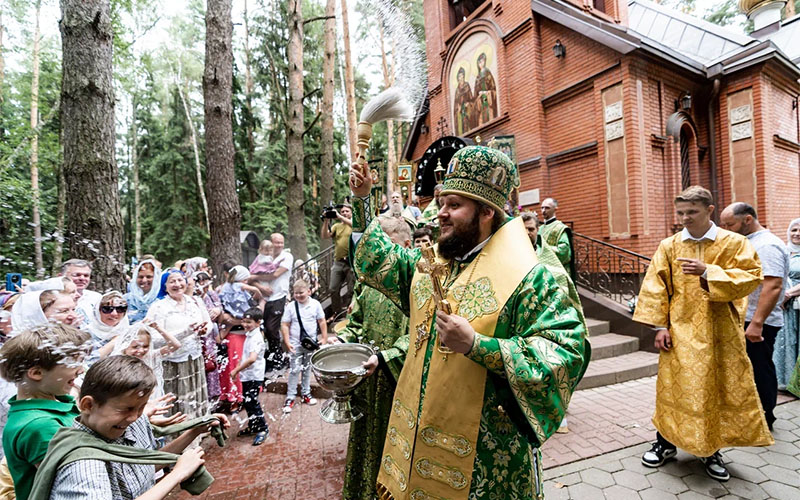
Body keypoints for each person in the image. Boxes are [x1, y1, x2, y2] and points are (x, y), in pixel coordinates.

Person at [348, 145, 588, 499]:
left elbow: (566, 352)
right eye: (441, 203)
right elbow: (380, 258)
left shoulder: (531, 276)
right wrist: (363, 199)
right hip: (418, 437)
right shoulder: (437, 262)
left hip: (483, 457)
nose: (440, 214)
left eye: (454, 205)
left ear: (487, 212)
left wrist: (479, 346)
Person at [634, 186, 772, 482]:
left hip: (720, 334)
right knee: (673, 390)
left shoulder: (734, 242)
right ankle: (665, 443)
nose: (684, 218)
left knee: (714, 390)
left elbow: (751, 276)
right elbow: (656, 286)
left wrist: (709, 272)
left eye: (691, 212)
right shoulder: (669, 246)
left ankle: (711, 451)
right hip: (680, 332)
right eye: (680, 212)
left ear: (710, 210)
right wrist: (659, 327)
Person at [40, 356, 228, 500]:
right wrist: (177, 474)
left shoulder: (129, 423)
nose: (135, 417)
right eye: (126, 409)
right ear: (88, 405)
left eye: (141, 407)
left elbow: (144, 467)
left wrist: (194, 431)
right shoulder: (83, 466)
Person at [337, 217, 411, 500]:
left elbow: (420, 334)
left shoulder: (415, 283)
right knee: (366, 445)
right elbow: (355, 323)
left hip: (398, 384)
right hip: (366, 385)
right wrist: (342, 343)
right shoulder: (368, 283)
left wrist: (385, 357)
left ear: (405, 246)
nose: (378, 259)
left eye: (385, 249)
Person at [0, 324, 91, 500]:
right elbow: (78, 480)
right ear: (36, 373)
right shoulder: (40, 425)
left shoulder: (56, 402)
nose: (80, 370)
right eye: (72, 364)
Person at [720, 202, 787, 431]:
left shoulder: (767, 245)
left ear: (747, 220)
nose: (727, 229)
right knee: (748, 369)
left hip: (759, 322)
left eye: (730, 224)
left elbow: (774, 285)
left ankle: (765, 417)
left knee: (760, 369)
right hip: (746, 318)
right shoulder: (748, 241)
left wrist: (757, 323)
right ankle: (751, 415)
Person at [146, 270, 212, 418]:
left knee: (195, 395)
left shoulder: (195, 301)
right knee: (175, 400)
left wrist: (204, 330)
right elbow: (153, 339)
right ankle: (177, 434)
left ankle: (197, 430)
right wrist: (185, 332)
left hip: (194, 357)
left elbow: (208, 323)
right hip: (172, 362)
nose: (177, 284)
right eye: (172, 281)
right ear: (165, 286)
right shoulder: (158, 307)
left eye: (180, 280)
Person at [280, 280, 327, 413]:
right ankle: (290, 397)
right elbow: (285, 324)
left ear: (308, 291)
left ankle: (306, 393)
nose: (299, 295)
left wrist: (324, 338)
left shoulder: (315, 304)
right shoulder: (291, 306)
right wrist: (287, 341)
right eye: (296, 293)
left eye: (301, 293)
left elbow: (321, 321)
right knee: (294, 370)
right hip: (295, 343)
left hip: (310, 343)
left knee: (307, 369)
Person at [252, 233, 293, 371]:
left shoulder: (287, 256)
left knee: (272, 328)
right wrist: (261, 287)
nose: (279, 245)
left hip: (278, 296)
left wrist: (253, 277)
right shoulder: (262, 256)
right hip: (263, 297)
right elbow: (252, 278)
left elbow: (274, 275)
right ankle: (270, 356)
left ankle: (278, 357)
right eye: (276, 242)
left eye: (281, 242)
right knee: (263, 328)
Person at [229, 307, 268, 446]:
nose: (245, 325)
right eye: (244, 321)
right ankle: (253, 426)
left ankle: (263, 428)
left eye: (249, 322)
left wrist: (236, 370)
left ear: (258, 322)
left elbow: (252, 359)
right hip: (248, 375)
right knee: (248, 401)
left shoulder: (256, 337)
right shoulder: (250, 334)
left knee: (252, 402)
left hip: (254, 375)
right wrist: (238, 367)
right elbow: (245, 356)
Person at [776, 218, 800, 390]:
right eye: (794, 230)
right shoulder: (783, 251)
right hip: (783, 306)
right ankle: (784, 381)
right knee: (785, 341)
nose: (797, 234)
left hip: (795, 302)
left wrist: (788, 293)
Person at [321, 203, 353, 319]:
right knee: (333, 288)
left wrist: (339, 216)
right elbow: (325, 236)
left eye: (347, 211)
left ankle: (351, 314)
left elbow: (356, 227)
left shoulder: (354, 224)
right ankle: (337, 313)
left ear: (351, 213)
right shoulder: (337, 226)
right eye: (343, 211)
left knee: (351, 290)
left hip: (351, 262)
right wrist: (325, 221)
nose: (344, 213)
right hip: (338, 262)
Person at [84, 291, 130, 366]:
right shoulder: (85, 334)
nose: (114, 314)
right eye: (107, 309)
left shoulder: (130, 333)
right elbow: (85, 363)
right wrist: (114, 343)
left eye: (120, 309)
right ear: (97, 311)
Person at [538, 198, 575, 280]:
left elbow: (564, 250)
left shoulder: (560, 227)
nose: (543, 211)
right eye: (542, 208)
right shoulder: (539, 229)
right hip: (541, 271)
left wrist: (543, 250)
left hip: (556, 273)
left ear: (555, 209)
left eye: (547, 208)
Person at [11, 289, 78, 334]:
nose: (74, 316)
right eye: (64, 311)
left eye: (73, 310)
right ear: (38, 315)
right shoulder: (24, 347)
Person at [60, 259, 102, 328]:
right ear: (61, 276)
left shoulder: (96, 297)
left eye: (86, 275)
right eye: (76, 275)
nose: (82, 278)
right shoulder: (53, 298)